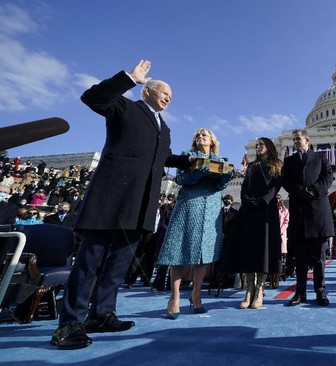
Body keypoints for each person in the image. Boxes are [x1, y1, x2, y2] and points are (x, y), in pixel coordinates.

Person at [50, 60, 193, 350]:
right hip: (110, 199)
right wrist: (129, 78)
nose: (169, 97)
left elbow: (162, 159)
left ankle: (101, 314)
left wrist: (190, 161)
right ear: (147, 91)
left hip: (140, 204)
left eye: (171, 96)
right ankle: (69, 322)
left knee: (118, 264)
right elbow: (92, 97)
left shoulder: (163, 128)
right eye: (165, 92)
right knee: (89, 261)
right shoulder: (125, 107)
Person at [157, 128, 233, 318]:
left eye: (204, 135)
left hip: (211, 207)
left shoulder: (220, 160)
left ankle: (196, 295)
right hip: (190, 204)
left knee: (203, 253)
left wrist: (225, 178)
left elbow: (220, 186)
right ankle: (174, 298)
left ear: (212, 141)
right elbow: (181, 179)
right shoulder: (187, 156)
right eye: (198, 135)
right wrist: (197, 174)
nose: (200, 137)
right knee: (179, 250)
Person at [282, 129, 335, 306]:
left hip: (318, 211)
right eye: (294, 139)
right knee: (301, 257)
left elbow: (328, 177)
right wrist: (299, 191)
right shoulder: (289, 161)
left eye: (299, 139)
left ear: (307, 140)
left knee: (319, 257)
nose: (296, 141)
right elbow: (286, 181)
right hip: (298, 212)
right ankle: (300, 292)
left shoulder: (320, 157)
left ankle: (320, 291)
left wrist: (313, 190)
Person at [230, 137, 283, 309]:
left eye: (261, 145)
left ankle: (260, 288)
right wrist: (246, 200)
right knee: (248, 249)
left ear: (268, 147)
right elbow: (244, 186)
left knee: (264, 249)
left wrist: (263, 200)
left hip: (266, 210)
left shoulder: (277, 164)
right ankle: (249, 289)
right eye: (257, 145)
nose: (258, 147)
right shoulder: (251, 166)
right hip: (250, 210)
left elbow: (276, 186)